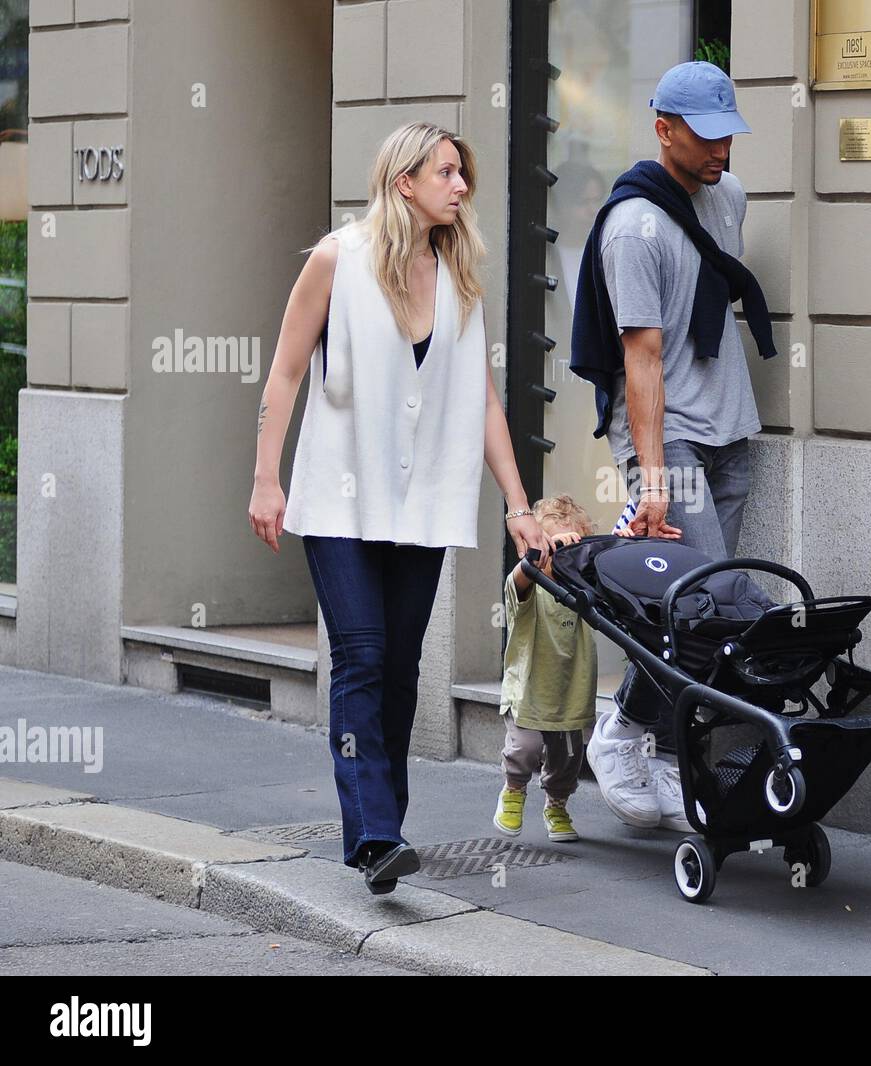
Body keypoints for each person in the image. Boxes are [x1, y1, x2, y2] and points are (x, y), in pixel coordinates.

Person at [249, 122, 553, 895]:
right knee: (362, 655)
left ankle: (385, 825)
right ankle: (375, 835)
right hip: (341, 501)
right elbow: (285, 373)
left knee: (403, 668)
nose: (460, 186)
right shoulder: (336, 260)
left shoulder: (457, 277)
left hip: (420, 507)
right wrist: (266, 480)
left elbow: (481, 397)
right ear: (403, 181)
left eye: (462, 174)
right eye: (446, 172)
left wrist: (518, 502)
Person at [569, 62, 779, 830]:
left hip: (731, 427)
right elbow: (643, 359)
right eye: (706, 135)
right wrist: (652, 480)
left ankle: (661, 750)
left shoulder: (730, 196)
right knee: (706, 600)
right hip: (672, 442)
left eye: (729, 133)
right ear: (665, 129)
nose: (723, 149)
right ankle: (621, 731)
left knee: (697, 616)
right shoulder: (632, 228)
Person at [493, 494, 597, 842]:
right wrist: (541, 553)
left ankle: (556, 803)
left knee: (567, 762)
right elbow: (523, 576)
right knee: (524, 749)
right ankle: (514, 789)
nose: (562, 556)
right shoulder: (526, 589)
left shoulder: (585, 592)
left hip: (570, 697)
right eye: (555, 546)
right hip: (528, 695)